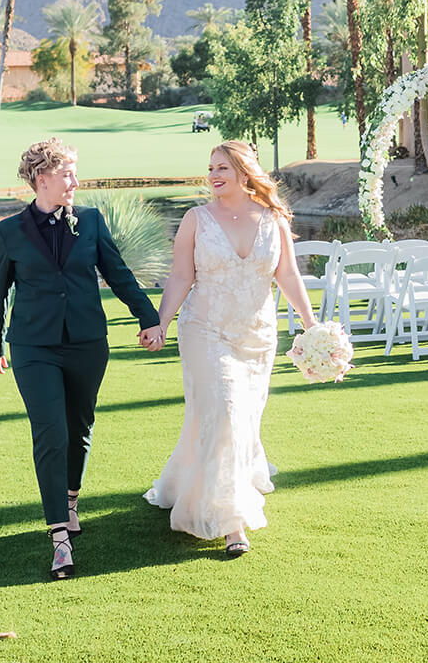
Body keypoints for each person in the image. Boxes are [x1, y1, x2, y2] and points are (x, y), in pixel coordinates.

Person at [0, 137, 162, 580]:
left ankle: (70, 501)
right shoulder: (9, 232)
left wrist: (150, 318)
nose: (75, 182)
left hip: (86, 342)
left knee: (80, 428)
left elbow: (119, 274)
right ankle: (59, 537)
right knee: (51, 431)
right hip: (33, 346)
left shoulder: (92, 222)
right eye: (67, 174)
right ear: (41, 180)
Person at [141, 140, 318, 557]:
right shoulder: (196, 219)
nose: (214, 175)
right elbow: (181, 275)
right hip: (205, 330)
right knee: (226, 412)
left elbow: (288, 274)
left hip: (256, 336)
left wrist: (311, 325)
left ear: (244, 171)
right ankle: (232, 521)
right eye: (210, 168)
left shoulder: (272, 218)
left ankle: (192, 479)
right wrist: (161, 323)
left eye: (222, 167)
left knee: (239, 420)